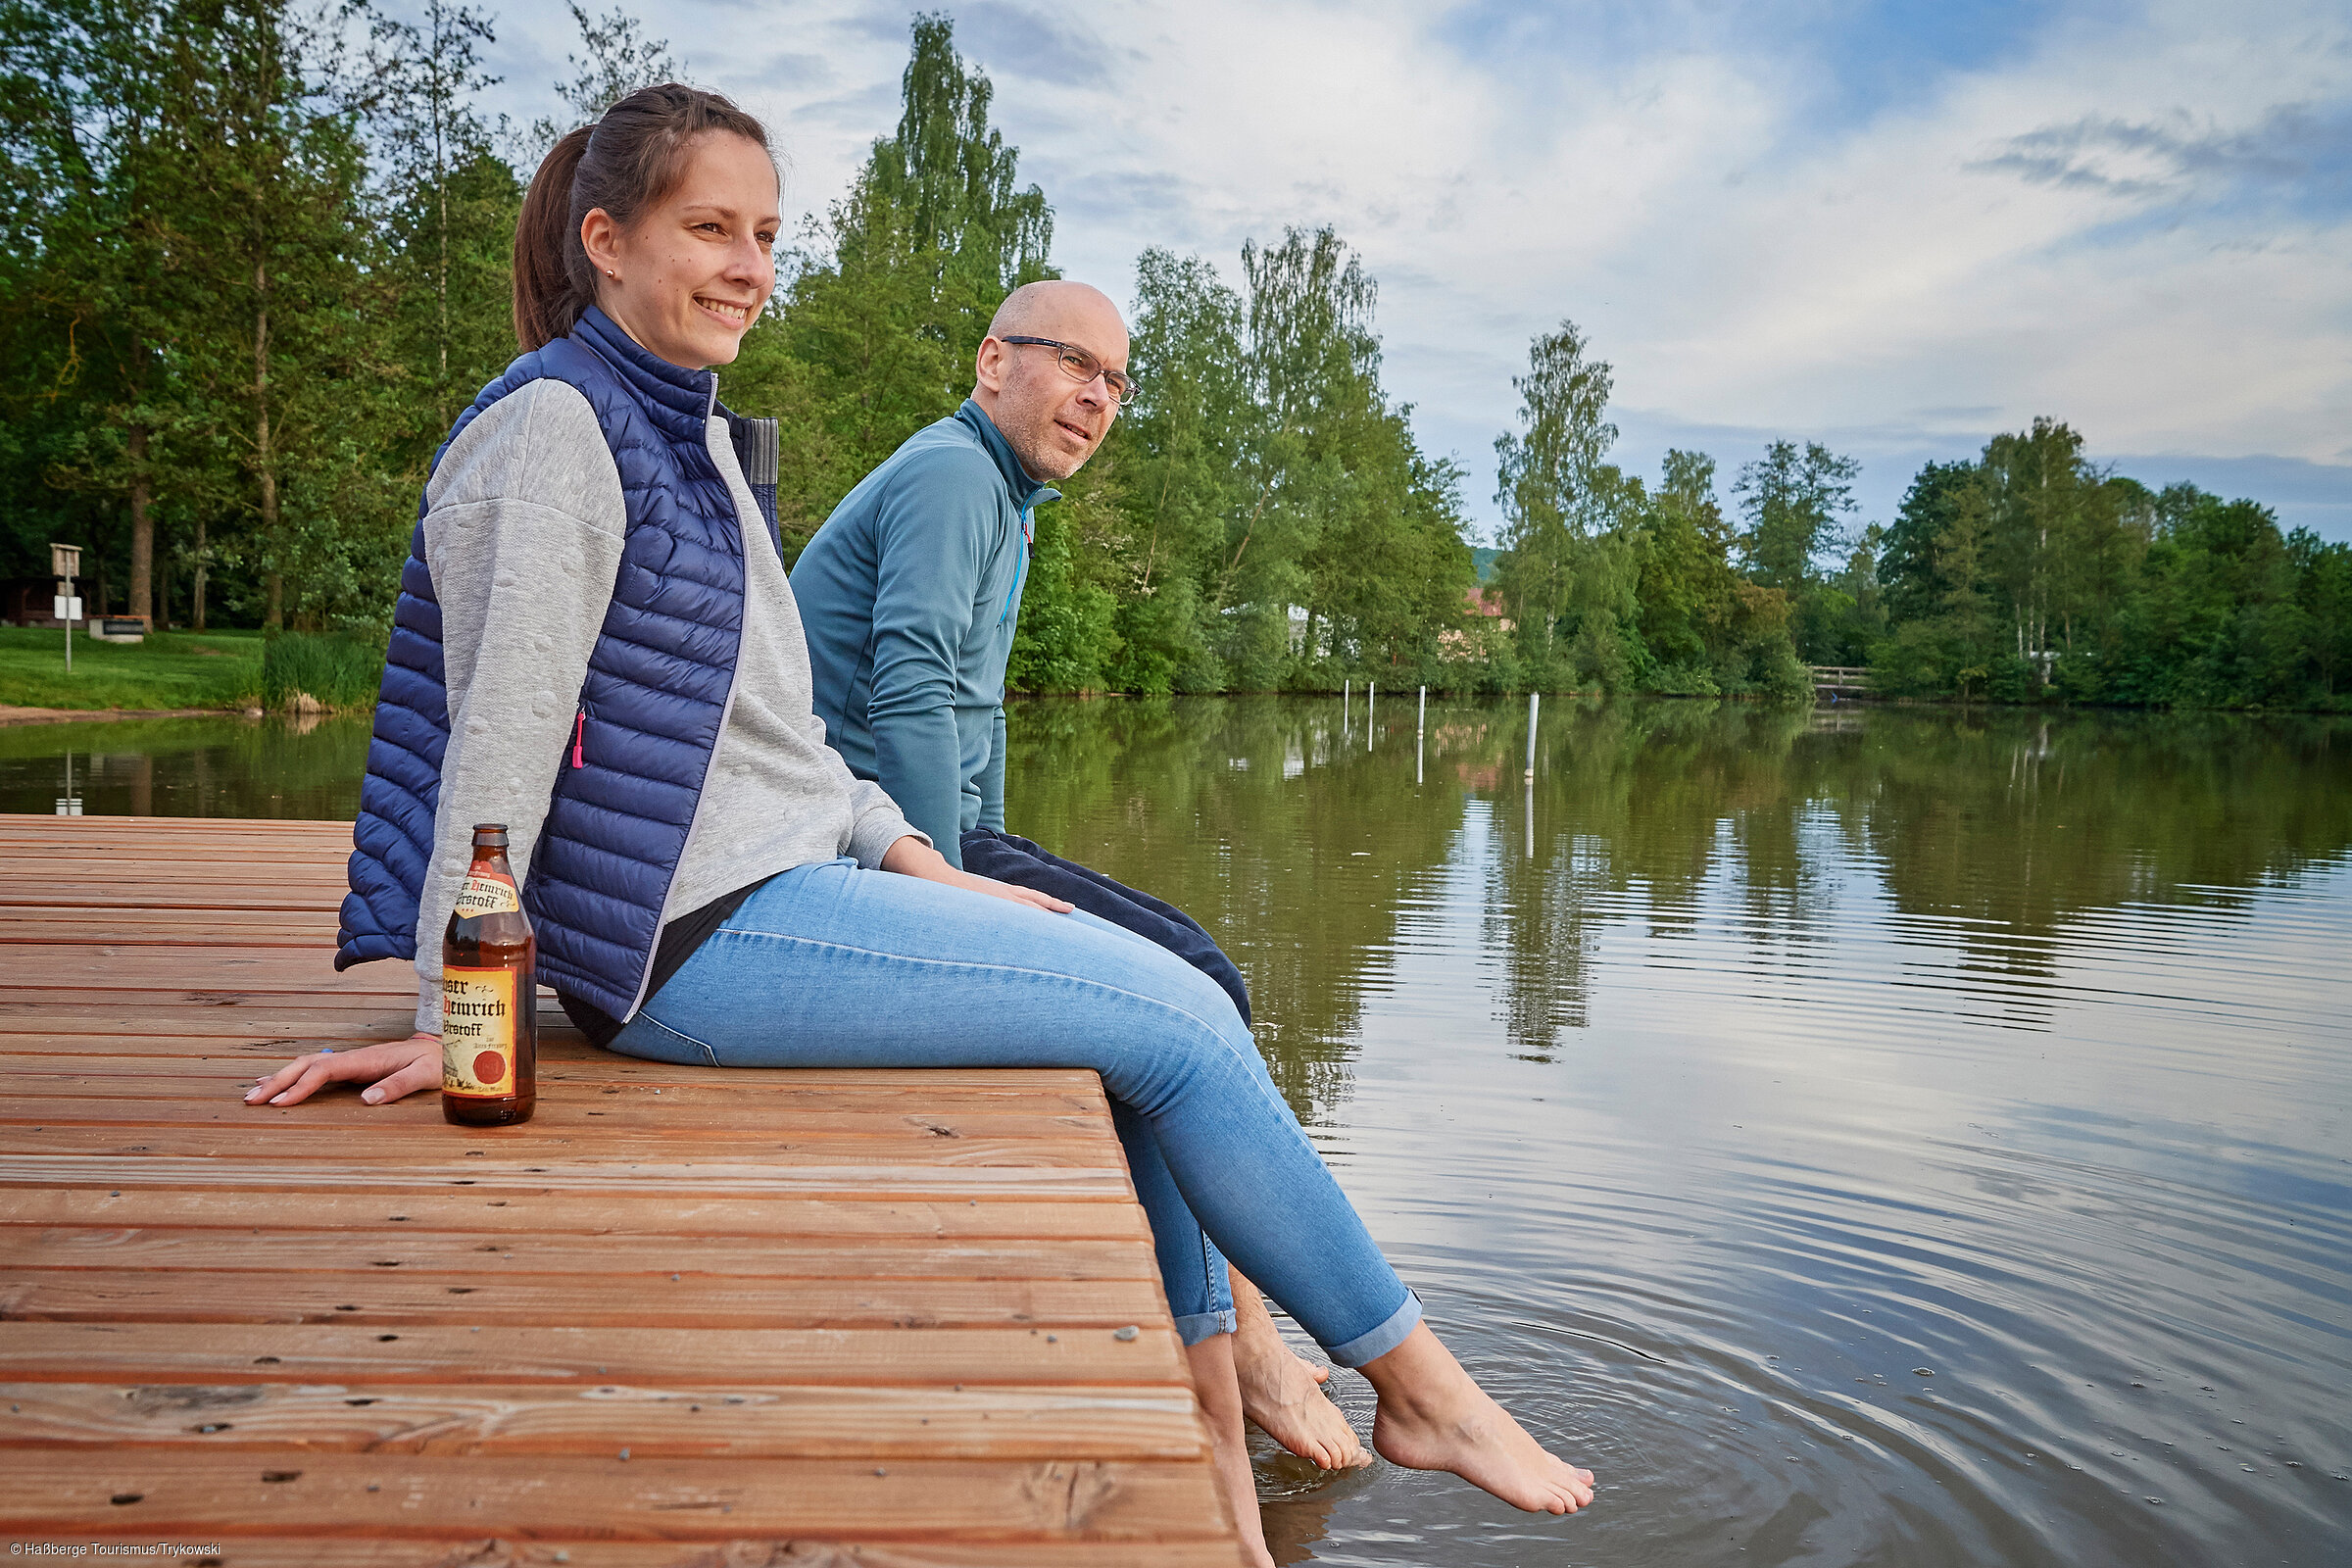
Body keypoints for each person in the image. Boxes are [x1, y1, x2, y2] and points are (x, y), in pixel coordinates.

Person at [249, 84, 1594, 1564]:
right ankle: (1422, 1389)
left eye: (766, 233)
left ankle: (1228, 1411)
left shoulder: (684, 441)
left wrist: (915, 861)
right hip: (691, 944)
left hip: (778, 887)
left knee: (1151, 1008)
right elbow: (496, 740)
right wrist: (459, 1016)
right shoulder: (561, 431)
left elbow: (785, 743)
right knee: (1185, 1019)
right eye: (712, 228)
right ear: (606, 241)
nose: (751, 267)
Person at [788, 276, 1363, 1469]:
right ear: (995, 360)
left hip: (914, 825)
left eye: (1117, 382)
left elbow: (970, 703)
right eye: (1074, 365)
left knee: (1195, 969)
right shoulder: (955, 474)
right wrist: (948, 892)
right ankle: (1241, 1340)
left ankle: (1235, 1322)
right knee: (1184, 982)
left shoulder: (1005, 496)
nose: (1098, 399)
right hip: (857, 834)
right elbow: (905, 691)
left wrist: (988, 844)